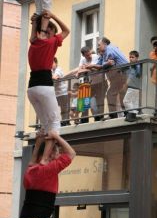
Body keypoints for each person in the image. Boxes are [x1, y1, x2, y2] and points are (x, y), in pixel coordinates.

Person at [27, 11, 70, 163]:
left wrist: (34, 23)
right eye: (52, 31)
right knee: (55, 123)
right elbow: (67, 31)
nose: (54, 34)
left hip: (31, 89)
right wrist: (53, 16)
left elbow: (34, 36)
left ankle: (33, 159)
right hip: (44, 86)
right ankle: (44, 159)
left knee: (45, 125)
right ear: (47, 32)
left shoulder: (33, 44)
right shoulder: (50, 42)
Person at [19, 130, 76, 218]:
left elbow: (33, 160)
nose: (58, 156)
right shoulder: (48, 170)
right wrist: (56, 136)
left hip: (25, 216)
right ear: (51, 154)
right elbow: (71, 153)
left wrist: (38, 143)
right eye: (57, 153)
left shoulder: (29, 171)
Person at [87, 37, 128, 118]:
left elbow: (110, 63)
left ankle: (114, 115)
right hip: (118, 75)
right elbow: (99, 66)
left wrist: (95, 66)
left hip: (121, 73)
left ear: (105, 44)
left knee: (111, 94)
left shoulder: (109, 49)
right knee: (115, 94)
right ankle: (119, 114)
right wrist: (88, 67)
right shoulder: (104, 53)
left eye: (99, 45)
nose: (98, 47)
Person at [77, 46, 108, 123]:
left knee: (100, 101)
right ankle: (84, 119)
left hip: (101, 82)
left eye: (90, 54)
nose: (89, 56)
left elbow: (96, 69)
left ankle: (100, 117)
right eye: (87, 55)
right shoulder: (83, 59)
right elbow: (80, 70)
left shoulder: (95, 56)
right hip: (92, 83)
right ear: (83, 55)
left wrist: (87, 68)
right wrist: (87, 68)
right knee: (85, 99)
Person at [123, 50, 142, 122]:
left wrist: (126, 84)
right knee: (134, 102)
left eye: (132, 57)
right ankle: (135, 115)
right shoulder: (133, 66)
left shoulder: (137, 66)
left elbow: (137, 75)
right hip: (136, 87)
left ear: (137, 58)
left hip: (133, 87)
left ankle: (132, 114)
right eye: (130, 57)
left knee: (126, 101)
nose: (130, 59)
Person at [52, 57, 70, 126]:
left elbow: (55, 77)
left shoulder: (58, 69)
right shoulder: (51, 71)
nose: (51, 65)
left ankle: (65, 122)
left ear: (56, 63)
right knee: (55, 109)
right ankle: (59, 122)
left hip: (62, 93)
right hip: (56, 94)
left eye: (52, 63)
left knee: (64, 109)